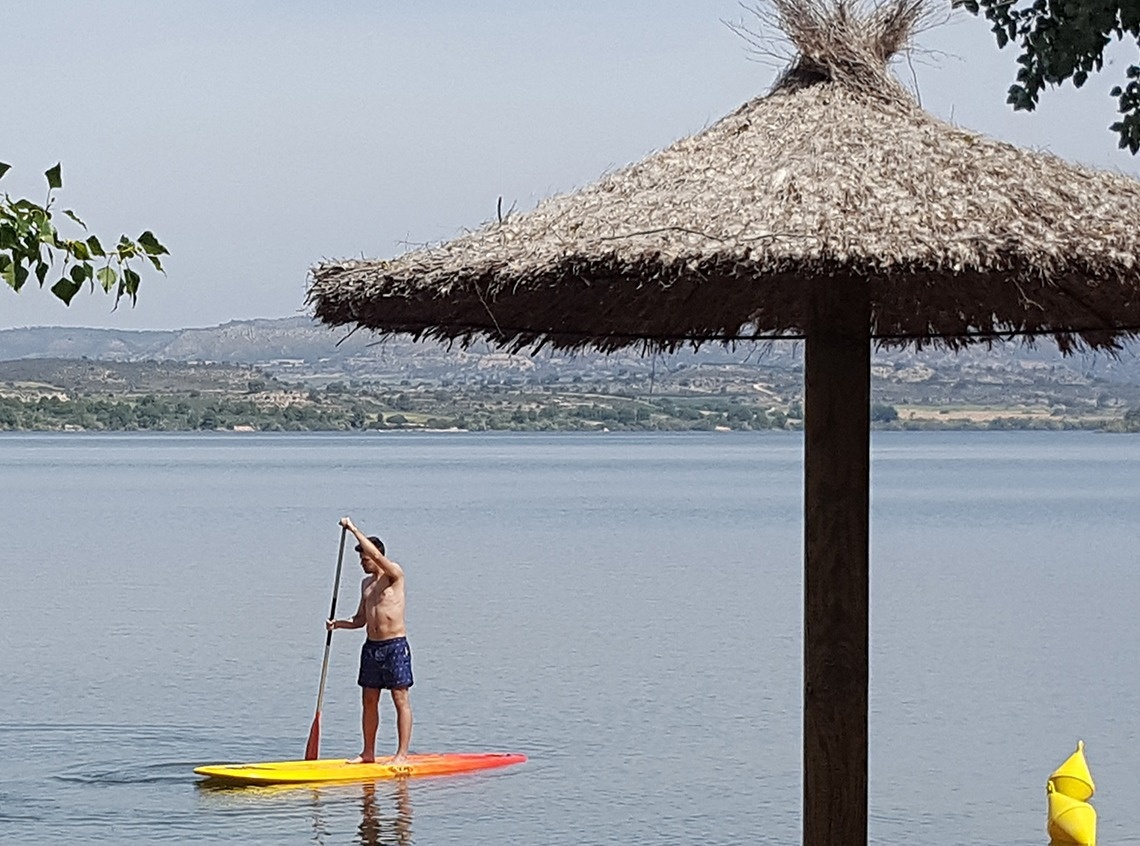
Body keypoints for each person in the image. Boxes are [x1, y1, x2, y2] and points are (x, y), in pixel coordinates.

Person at [326, 516, 414, 765]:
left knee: (399, 698)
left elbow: (376, 556)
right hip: (372, 647)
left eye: (365, 558)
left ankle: (401, 755)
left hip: (395, 646)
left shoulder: (394, 575)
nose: (362, 563)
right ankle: (368, 753)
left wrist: (353, 529)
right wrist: (338, 625)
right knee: (369, 700)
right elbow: (360, 620)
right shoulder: (366, 585)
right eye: (360, 559)